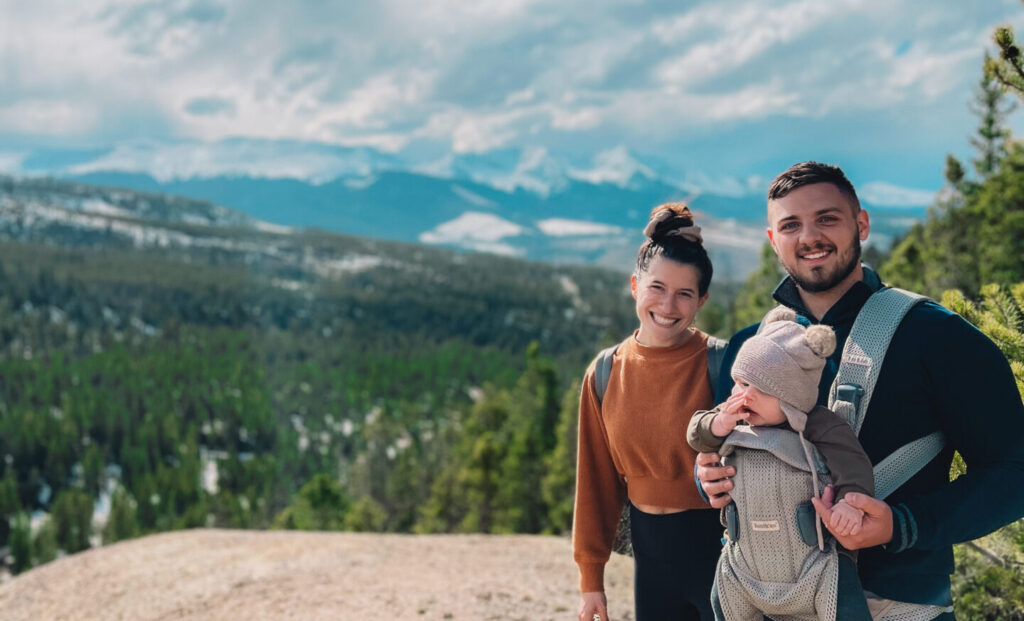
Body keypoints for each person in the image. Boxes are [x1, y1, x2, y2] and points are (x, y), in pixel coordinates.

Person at [696, 161, 1024, 620]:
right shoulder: (747, 350)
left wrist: (902, 524)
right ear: (773, 240)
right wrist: (707, 476)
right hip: (769, 600)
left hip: (897, 603)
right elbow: (725, 449)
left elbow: (1013, 471)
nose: (809, 236)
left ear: (861, 225)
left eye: (827, 218)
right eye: (790, 225)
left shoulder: (937, 337)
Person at [574, 203, 723, 621]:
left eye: (685, 294)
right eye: (657, 288)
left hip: (722, 557)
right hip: (650, 561)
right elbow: (595, 482)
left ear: (702, 301)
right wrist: (591, 581)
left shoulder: (722, 364)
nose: (668, 305)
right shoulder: (604, 372)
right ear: (635, 285)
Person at [688, 308, 874, 621]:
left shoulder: (818, 426)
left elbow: (854, 466)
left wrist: (850, 505)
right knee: (723, 599)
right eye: (739, 383)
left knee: (844, 598)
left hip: (814, 566)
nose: (742, 397)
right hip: (744, 566)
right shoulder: (734, 420)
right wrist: (717, 424)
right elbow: (696, 433)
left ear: (790, 397)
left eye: (758, 389)